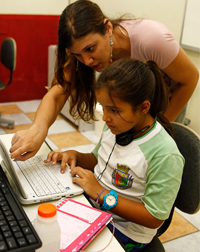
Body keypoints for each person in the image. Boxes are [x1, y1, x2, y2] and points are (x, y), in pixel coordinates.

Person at [9, 0, 199, 161]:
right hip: (130, 105)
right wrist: (37, 131)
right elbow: (58, 92)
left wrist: (163, 128)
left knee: (154, 161)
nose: (86, 61)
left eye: (91, 49)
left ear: (108, 28)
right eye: (77, 54)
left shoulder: (151, 39)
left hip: (167, 100)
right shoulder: (84, 54)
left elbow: (190, 78)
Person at [44, 58, 185, 252]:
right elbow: (97, 160)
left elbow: (154, 217)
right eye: (104, 107)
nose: (105, 117)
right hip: (96, 207)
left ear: (144, 107)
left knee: (55, 248)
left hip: (126, 231)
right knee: (43, 224)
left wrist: (101, 193)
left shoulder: (164, 154)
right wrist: (74, 154)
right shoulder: (117, 126)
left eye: (114, 110)